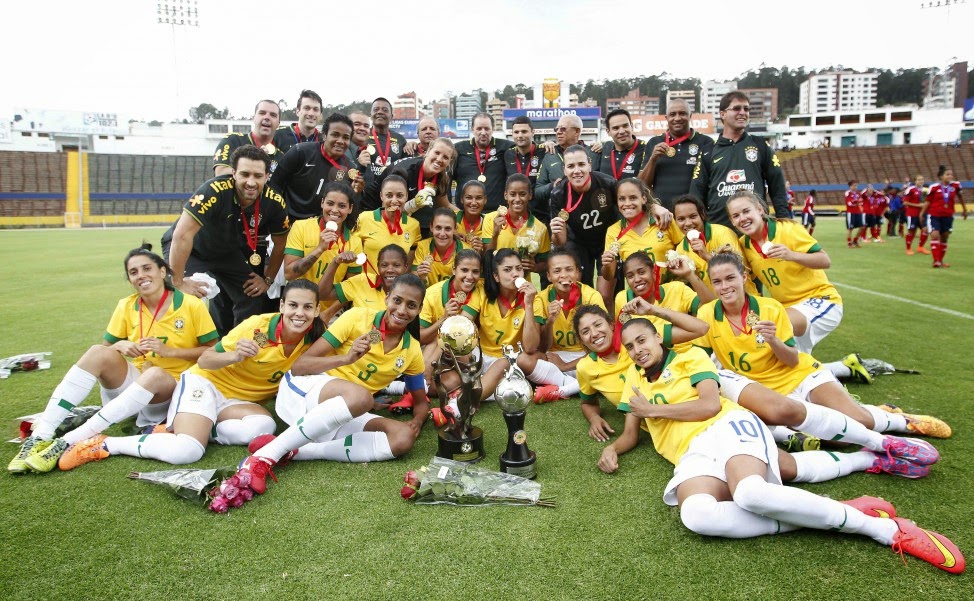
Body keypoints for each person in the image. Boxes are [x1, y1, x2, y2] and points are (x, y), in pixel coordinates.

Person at [613, 317, 965, 576]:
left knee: (750, 493)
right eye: (629, 346)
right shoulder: (634, 381)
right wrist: (614, 448)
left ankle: (885, 529)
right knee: (696, 516)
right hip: (691, 454)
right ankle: (834, 504)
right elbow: (632, 430)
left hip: (726, 426)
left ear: (658, 337)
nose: (637, 350)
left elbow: (709, 406)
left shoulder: (690, 358)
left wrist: (652, 410)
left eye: (642, 340)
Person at [56, 280, 323, 470]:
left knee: (263, 427)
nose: (299, 314)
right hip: (206, 383)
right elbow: (206, 359)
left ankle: (186, 425)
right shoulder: (260, 330)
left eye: (307, 307)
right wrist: (235, 356)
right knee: (187, 451)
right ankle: (105, 443)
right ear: (282, 306)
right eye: (293, 306)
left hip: (236, 404)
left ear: (317, 310)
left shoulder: (313, 344)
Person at [697, 250, 952, 445]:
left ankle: (904, 421)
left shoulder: (769, 308)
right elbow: (699, 356)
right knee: (832, 436)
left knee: (860, 422)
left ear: (743, 277)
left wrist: (774, 339)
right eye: (717, 281)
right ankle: (874, 410)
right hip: (767, 390)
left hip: (799, 374)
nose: (724, 287)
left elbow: (792, 361)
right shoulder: (707, 314)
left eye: (730, 278)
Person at [8, 245, 219, 474]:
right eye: (134, 272)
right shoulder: (126, 305)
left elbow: (212, 351)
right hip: (131, 391)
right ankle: (41, 436)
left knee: (155, 374)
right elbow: (107, 349)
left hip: (172, 392)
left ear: (162, 272)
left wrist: (170, 352)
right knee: (98, 351)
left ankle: (68, 442)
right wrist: (120, 346)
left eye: (147, 268)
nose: (141, 276)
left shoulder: (191, 305)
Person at [220, 275, 430, 497]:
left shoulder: (412, 350)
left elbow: (421, 401)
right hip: (304, 392)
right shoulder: (357, 317)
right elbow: (301, 365)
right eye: (397, 300)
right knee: (362, 398)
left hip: (342, 411)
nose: (402, 309)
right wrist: (346, 359)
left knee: (402, 437)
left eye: (411, 305)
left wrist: (417, 421)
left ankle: (299, 451)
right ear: (387, 298)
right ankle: (264, 457)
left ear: (419, 309)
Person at [163, 145, 289, 335]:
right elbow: (182, 236)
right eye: (245, 174)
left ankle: (236, 349)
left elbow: (281, 243)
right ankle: (180, 352)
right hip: (191, 250)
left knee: (251, 294)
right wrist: (178, 281)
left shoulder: (274, 201)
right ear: (233, 173)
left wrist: (267, 279)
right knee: (189, 295)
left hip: (225, 252)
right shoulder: (213, 191)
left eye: (257, 176)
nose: (251, 182)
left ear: (266, 176)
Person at [480, 249, 580, 402]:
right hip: (485, 357)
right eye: (507, 270)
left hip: (515, 360)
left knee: (508, 364)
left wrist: (528, 304)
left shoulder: (535, 299)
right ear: (496, 276)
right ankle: (569, 386)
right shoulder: (483, 294)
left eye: (519, 269)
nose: (515, 274)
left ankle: (459, 406)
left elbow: (531, 347)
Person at [688, 91, 788, 227]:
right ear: (722, 114)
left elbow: (777, 184)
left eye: (746, 109)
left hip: (755, 230)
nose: (743, 112)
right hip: (720, 229)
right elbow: (696, 192)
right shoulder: (708, 151)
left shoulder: (759, 144)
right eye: (736, 108)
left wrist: (784, 218)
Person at [282, 181, 363, 314]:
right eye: (330, 203)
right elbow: (289, 274)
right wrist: (319, 249)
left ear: (350, 208)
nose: (335, 210)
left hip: (329, 313)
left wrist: (327, 314)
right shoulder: (301, 227)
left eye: (342, 206)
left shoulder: (355, 242)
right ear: (322, 203)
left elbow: (350, 289)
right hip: (296, 307)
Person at [599, 178, 684, 303]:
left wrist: (677, 258)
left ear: (643, 198)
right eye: (622, 199)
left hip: (672, 292)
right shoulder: (614, 231)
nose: (627, 203)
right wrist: (606, 264)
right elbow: (609, 275)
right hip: (641, 297)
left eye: (633, 198)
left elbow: (684, 248)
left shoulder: (662, 219)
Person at [269, 112, 364, 220]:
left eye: (346, 137)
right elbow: (275, 184)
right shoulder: (300, 152)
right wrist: (280, 216)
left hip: (324, 227)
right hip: (290, 222)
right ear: (324, 135)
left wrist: (356, 194)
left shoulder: (350, 168)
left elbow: (350, 205)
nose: (340, 141)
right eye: (335, 135)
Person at [537, 249, 605, 380]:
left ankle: (564, 386)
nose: (564, 275)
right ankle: (576, 384)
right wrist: (550, 321)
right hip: (554, 357)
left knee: (605, 362)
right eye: (557, 271)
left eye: (569, 269)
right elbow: (541, 348)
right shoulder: (540, 299)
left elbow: (602, 344)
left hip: (586, 356)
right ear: (549, 276)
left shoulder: (591, 296)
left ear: (578, 273)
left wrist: (565, 366)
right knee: (530, 361)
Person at [671, 194, 757, 296]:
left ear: (702, 215)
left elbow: (738, 270)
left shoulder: (723, 233)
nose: (688, 223)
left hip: (745, 298)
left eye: (693, 216)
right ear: (675, 222)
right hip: (715, 307)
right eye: (681, 219)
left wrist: (707, 256)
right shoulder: (681, 249)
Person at [366, 137, 455, 233]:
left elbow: (445, 206)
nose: (439, 159)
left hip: (403, 216)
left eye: (445, 157)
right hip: (373, 212)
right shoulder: (404, 171)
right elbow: (389, 209)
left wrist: (466, 219)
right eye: (437, 153)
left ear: (449, 161)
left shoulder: (442, 177)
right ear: (428, 151)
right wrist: (414, 204)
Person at [640, 99, 715, 211]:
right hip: (662, 215)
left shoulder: (706, 142)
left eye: (682, 113)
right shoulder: (654, 143)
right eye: (672, 114)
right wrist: (653, 159)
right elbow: (641, 185)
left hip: (693, 215)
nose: (677, 118)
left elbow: (712, 181)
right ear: (666, 118)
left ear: (690, 116)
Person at [483, 174, 551, 277]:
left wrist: (535, 267)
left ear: (530, 195)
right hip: (496, 283)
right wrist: (495, 234)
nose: (517, 199)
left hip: (522, 286)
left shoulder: (540, 228)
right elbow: (487, 256)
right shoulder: (490, 219)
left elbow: (545, 263)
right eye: (513, 194)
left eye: (522, 194)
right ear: (506, 195)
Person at [319, 244, 410, 312]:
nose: (390, 270)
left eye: (397, 265)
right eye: (384, 265)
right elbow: (322, 294)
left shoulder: (413, 291)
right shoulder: (362, 281)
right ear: (378, 266)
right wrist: (335, 262)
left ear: (406, 267)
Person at [453, 113, 514, 213]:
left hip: (497, 213)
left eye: (487, 128)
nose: (483, 132)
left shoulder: (505, 146)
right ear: (472, 129)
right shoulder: (458, 148)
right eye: (479, 128)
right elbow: (439, 149)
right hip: (465, 213)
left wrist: (546, 144)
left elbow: (525, 146)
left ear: (492, 129)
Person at [356, 174, 420, 267]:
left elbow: (409, 264)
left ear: (406, 196)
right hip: (368, 280)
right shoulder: (364, 218)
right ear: (381, 196)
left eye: (399, 195)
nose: (394, 201)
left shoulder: (414, 225)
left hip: (397, 281)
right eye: (389, 196)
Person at [212, 100, 286, 176]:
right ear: (254, 118)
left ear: (278, 124)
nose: (267, 117)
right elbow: (221, 172)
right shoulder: (233, 140)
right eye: (262, 113)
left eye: (273, 115)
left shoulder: (281, 158)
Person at [534, 113, 586, 210]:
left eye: (563, 129)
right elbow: (537, 191)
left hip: (587, 211)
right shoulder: (550, 155)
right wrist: (552, 186)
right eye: (556, 129)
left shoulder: (593, 153)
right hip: (559, 213)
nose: (558, 132)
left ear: (577, 131)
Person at [920, 165, 967, 268]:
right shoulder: (934, 187)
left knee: (944, 237)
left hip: (948, 215)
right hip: (934, 215)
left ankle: (940, 261)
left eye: (951, 174)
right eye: (947, 174)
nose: (950, 176)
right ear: (941, 176)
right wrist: (922, 213)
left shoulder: (956, 186)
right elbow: (928, 202)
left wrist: (964, 210)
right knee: (935, 235)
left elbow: (960, 197)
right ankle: (936, 261)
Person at [413, 207, 470, 285]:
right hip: (429, 296)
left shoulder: (467, 251)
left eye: (447, 229)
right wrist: (421, 278)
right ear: (431, 227)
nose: (442, 234)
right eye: (438, 228)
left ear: (455, 229)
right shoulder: (422, 246)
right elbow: (414, 281)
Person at [504, 116, 546, 220]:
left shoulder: (545, 152)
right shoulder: (508, 154)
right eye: (516, 132)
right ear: (512, 134)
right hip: (515, 214)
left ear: (533, 132)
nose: (520, 135)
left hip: (540, 215)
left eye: (524, 131)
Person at [595, 109, 651, 183]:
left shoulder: (647, 149)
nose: (622, 131)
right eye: (616, 128)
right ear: (608, 132)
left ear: (631, 126)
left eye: (625, 126)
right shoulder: (605, 148)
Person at [365, 97, 409, 177]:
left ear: (391, 117)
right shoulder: (364, 136)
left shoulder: (400, 139)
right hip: (367, 187)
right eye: (376, 109)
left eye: (385, 110)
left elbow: (406, 166)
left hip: (391, 187)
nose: (380, 112)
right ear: (370, 115)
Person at [273, 89, 322, 154]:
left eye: (315, 109)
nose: (311, 114)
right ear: (297, 111)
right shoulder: (278, 135)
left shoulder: (324, 140)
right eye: (307, 108)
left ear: (320, 114)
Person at [454, 180, 487, 253]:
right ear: (462, 199)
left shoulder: (490, 222)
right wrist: (450, 234)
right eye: (469, 198)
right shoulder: (450, 219)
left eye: (478, 198)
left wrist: (481, 252)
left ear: (485, 200)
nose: (474, 203)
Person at [902, 174, 929, 255]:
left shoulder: (925, 190)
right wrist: (918, 205)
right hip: (912, 214)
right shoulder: (911, 190)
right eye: (919, 180)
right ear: (915, 181)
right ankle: (908, 249)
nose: (921, 181)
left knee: (925, 230)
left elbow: (924, 203)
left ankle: (920, 247)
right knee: (912, 231)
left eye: (922, 179)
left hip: (922, 214)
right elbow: (905, 203)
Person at [844, 181, 867, 248]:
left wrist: (858, 203)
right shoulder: (848, 193)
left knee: (862, 227)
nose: (855, 187)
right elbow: (849, 203)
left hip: (858, 212)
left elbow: (861, 202)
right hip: (851, 213)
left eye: (856, 185)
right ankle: (849, 243)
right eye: (854, 185)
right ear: (850, 186)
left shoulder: (858, 193)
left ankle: (855, 240)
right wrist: (856, 202)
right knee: (850, 228)